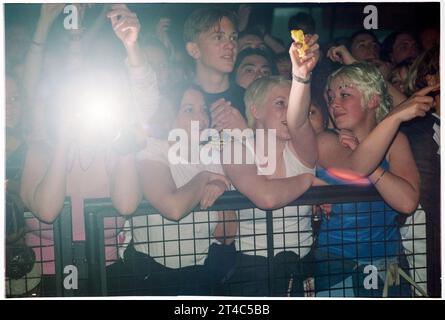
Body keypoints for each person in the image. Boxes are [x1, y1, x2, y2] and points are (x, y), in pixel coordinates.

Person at [19, 4, 157, 295]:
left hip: (107, 277)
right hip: (46, 280)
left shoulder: (114, 149)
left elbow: (127, 204)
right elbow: (47, 210)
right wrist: (64, 141)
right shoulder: (40, 149)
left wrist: (124, 138)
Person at [288, 33, 435, 296]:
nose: (333, 103)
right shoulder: (327, 140)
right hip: (334, 264)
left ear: (373, 100)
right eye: (331, 96)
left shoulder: (396, 141)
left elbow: (407, 202)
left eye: (344, 95)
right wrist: (395, 117)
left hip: (386, 264)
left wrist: (377, 162)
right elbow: (356, 169)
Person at [209, 34, 323, 296]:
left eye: (292, 103)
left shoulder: (301, 148)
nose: (289, 111)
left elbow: (299, 122)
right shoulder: (236, 147)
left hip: (302, 264)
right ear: (255, 109)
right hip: (252, 269)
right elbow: (267, 197)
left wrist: (301, 76)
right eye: (280, 103)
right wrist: (307, 180)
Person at [110, 83, 237, 295]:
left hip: (200, 274)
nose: (201, 117)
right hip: (152, 276)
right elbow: (173, 209)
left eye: (203, 109)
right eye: (189, 109)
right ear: (170, 116)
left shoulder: (210, 155)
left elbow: (226, 236)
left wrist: (221, 186)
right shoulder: (152, 149)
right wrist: (206, 178)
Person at [183, 7, 246, 116]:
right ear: (194, 49)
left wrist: (245, 131)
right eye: (218, 37)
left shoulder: (249, 101)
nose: (231, 45)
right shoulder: (176, 99)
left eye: (233, 38)